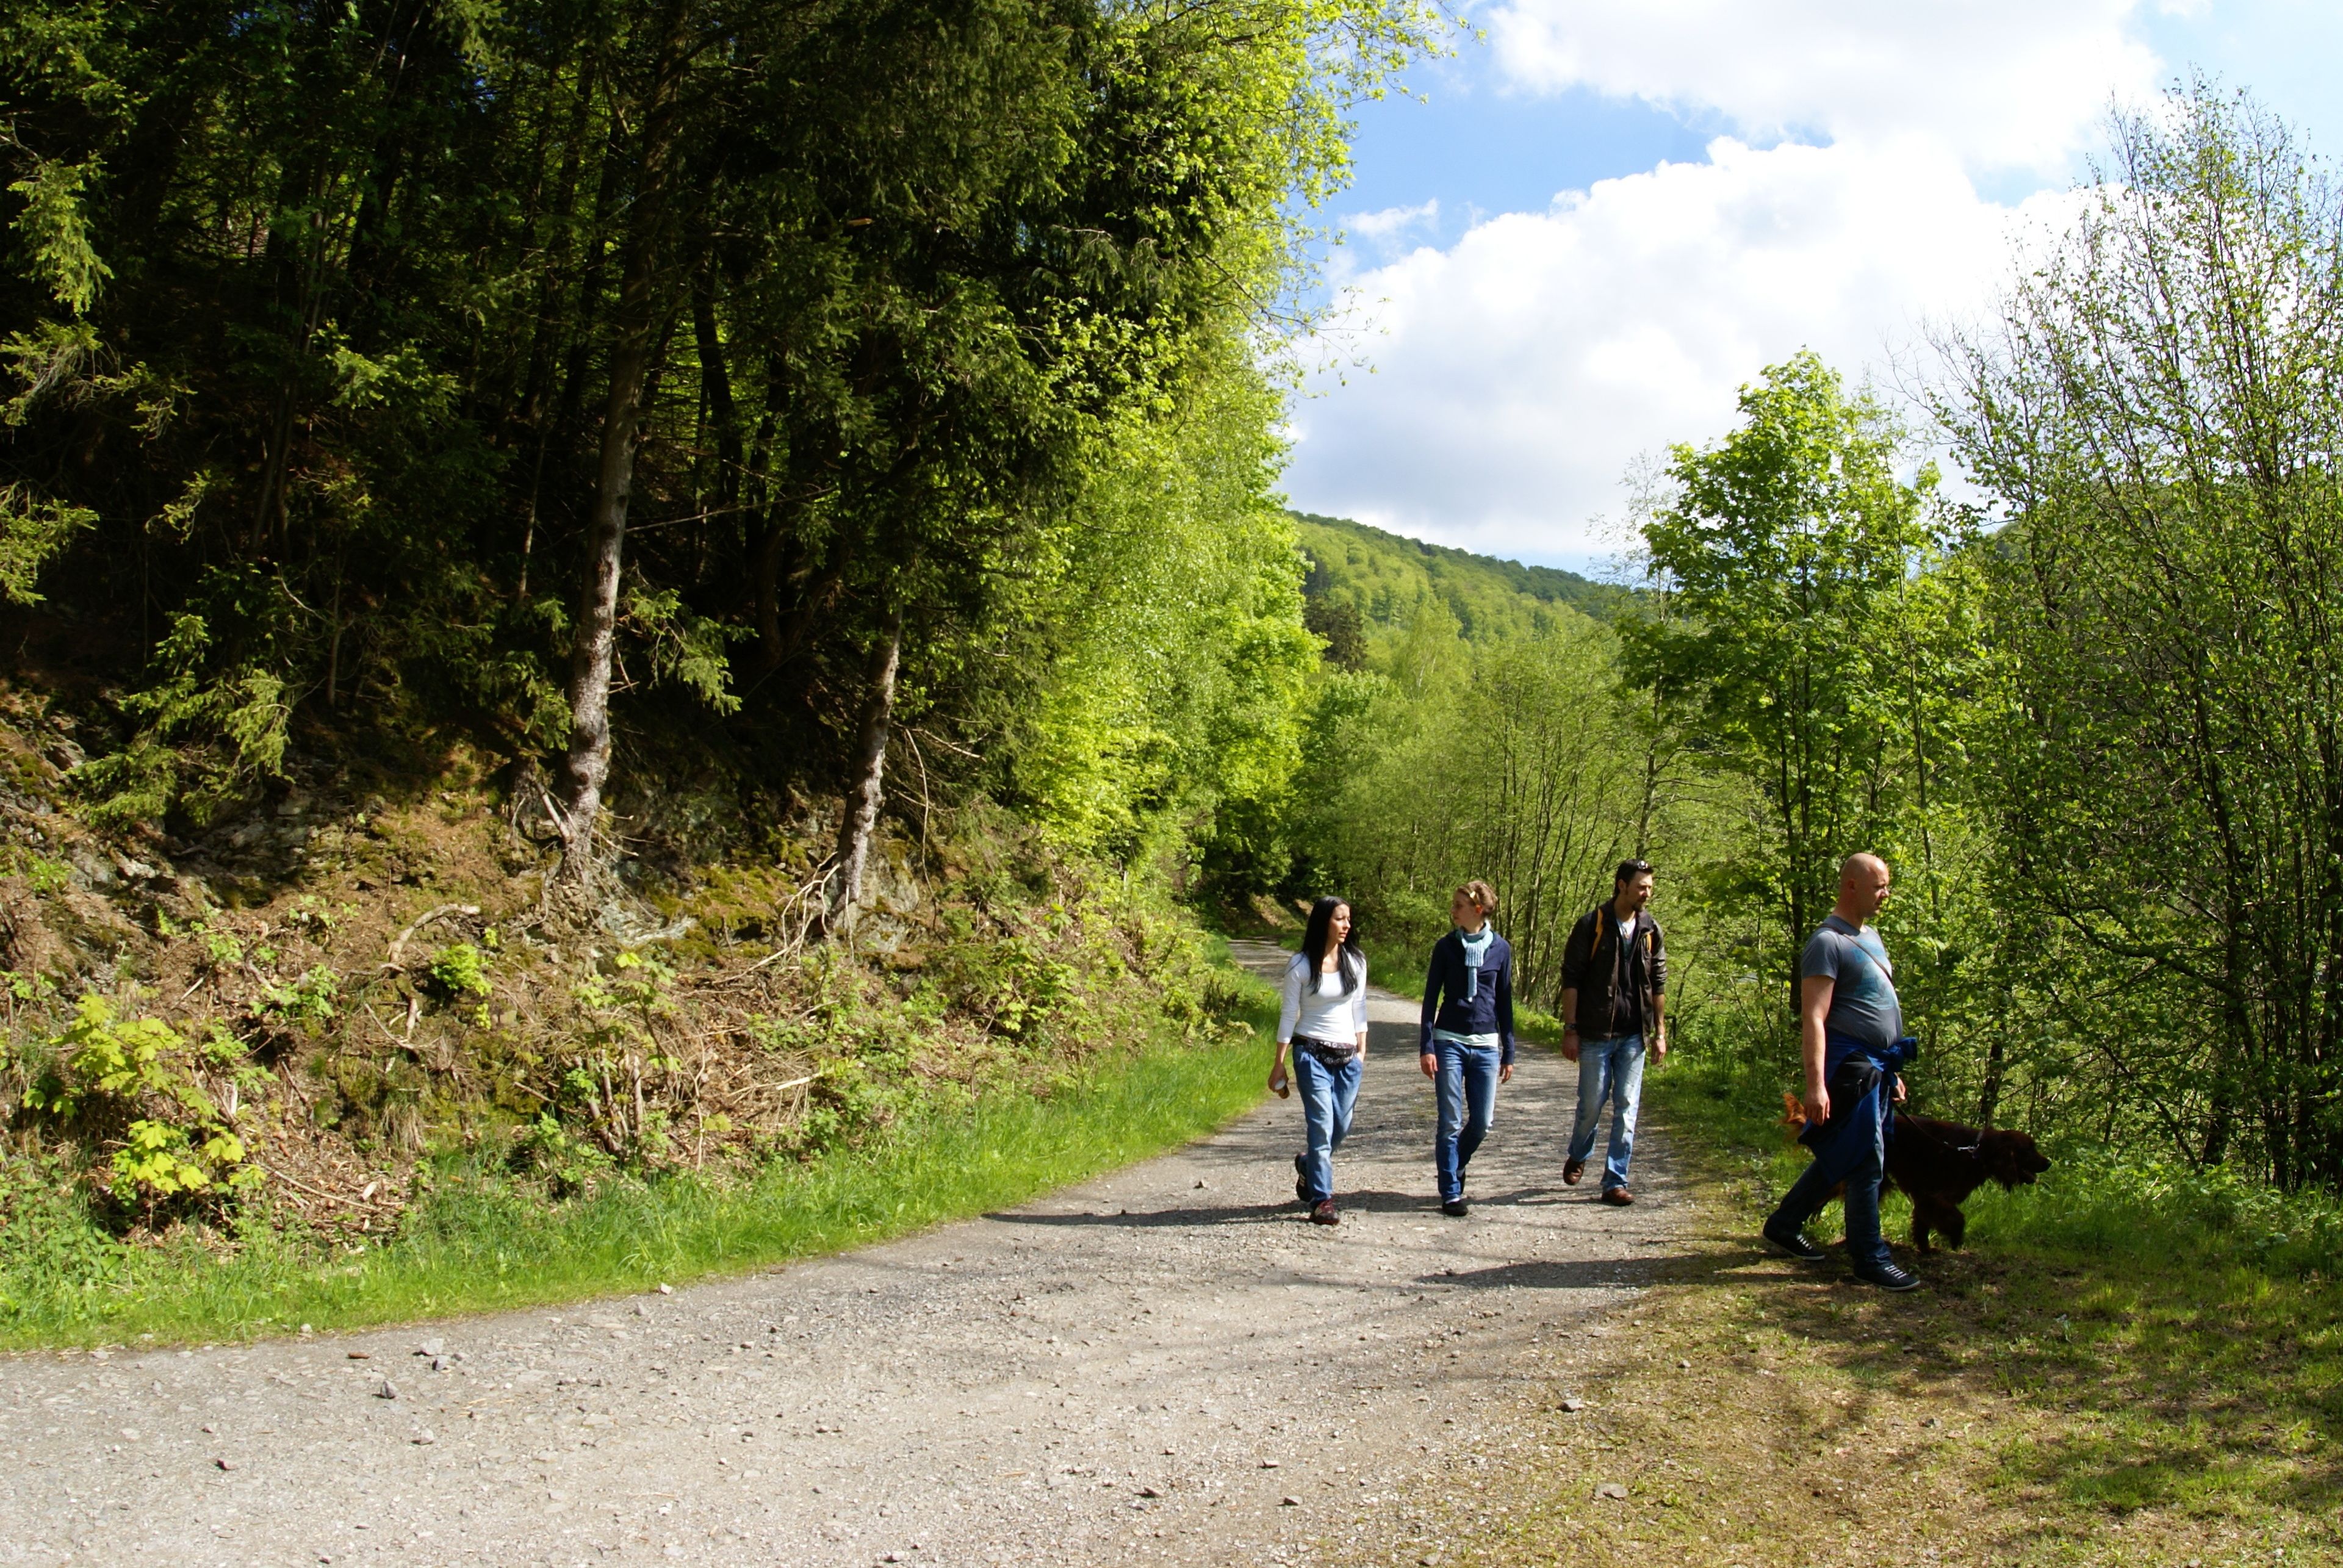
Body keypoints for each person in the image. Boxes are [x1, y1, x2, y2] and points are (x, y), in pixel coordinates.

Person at [1762, 852, 1921, 1292]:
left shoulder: (1871, 937)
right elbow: (1814, 1018)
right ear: (1851, 885)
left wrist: (1892, 1071)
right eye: (1879, 886)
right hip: (1849, 1067)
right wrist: (1816, 1085)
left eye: (1887, 885)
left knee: (1848, 1155)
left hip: (1877, 1067)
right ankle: (1869, 1257)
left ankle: (1784, 1224)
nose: (1886, 894)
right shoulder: (1826, 943)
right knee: (1867, 1161)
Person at [1558, 858, 1668, 1206]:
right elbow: (1572, 979)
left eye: (1650, 887)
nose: (1646, 893)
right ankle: (1578, 1153)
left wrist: (1660, 1032)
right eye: (1641, 886)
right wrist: (1571, 1029)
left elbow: (1659, 983)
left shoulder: (1651, 930)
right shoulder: (1593, 925)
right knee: (1591, 1105)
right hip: (1595, 1034)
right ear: (1622, 885)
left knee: (1627, 1106)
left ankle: (1615, 1181)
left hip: (1634, 1035)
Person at [1270, 896, 1369, 1226]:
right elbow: (1288, 1015)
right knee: (1322, 1124)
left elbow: (1360, 1009)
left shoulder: (1356, 962)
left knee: (1340, 1126)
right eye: (1340, 919)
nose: (1347, 926)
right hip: (1310, 1051)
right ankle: (1323, 1199)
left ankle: (1308, 1163)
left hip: (1347, 1056)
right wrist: (1279, 1063)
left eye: (1349, 919)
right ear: (1324, 922)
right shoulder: (1300, 965)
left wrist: (1361, 1053)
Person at [1417, 880, 1514, 1218]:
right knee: (1449, 1121)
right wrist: (1426, 1045)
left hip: (1486, 1045)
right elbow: (1431, 999)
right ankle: (1451, 1192)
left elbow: (1504, 1001)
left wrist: (1510, 1049)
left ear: (1477, 910)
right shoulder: (1445, 948)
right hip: (1448, 1042)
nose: (1452, 910)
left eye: (1459, 905)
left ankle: (1456, 1163)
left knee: (1483, 1122)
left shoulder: (1501, 948)